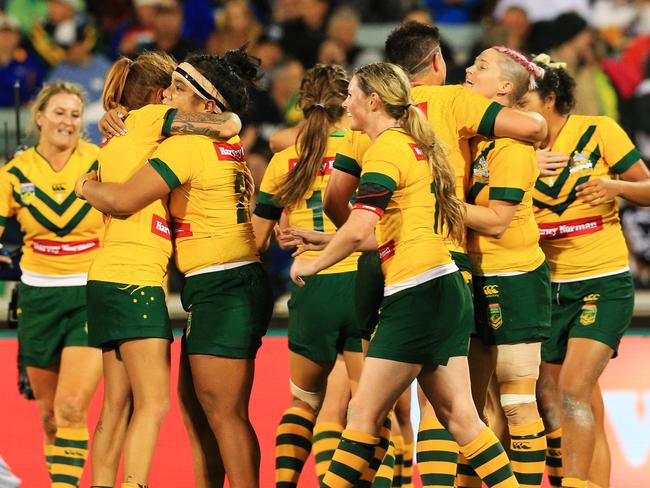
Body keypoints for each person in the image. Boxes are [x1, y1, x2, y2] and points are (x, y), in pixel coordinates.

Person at [321, 21, 547, 488]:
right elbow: (535, 126)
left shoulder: (365, 126)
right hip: (441, 265)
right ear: (437, 62)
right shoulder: (449, 103)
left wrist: (367, 231)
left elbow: (334, 200)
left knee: (379, 405)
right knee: (458, 409)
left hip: (384, 266)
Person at [77, 49, 271, 488]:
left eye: (180, 88)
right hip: (222, 282)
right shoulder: (219, 143)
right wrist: (124, 116)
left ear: (208, 106)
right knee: (201, 410)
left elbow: (125, 199)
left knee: (222, 413)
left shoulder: (189, 145)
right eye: (167, 85)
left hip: (223, 283)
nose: (167, 94)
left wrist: (85, 183)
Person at [518, 55, 650, 488]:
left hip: (601, 282)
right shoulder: (514, 151)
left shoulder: (598, 131)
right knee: (566, 400)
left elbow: (647, 187)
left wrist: (615, 187)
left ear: (551, 98)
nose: (517, 111)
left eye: (525, 100)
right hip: (544, 288)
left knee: (574, 389)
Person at [251, 64, 365, 487]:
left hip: (310, 286)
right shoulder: (368, 147)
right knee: (370, 409)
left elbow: (259, 238)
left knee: (302, 402)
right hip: (362, 281)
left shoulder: (285, 159)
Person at [0, 81, 103, 487]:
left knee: (72, 406)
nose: (68, 121)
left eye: (76, 114)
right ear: (39, 117)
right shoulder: (14, 172)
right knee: (49, 415)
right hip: (37, 297)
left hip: (90, 294)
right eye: (59, 112)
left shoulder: (100, 161)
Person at [462, 45, 551, 488]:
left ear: (504, 87)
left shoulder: (512, 146)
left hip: (514, 278)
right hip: (474, 276)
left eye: (480, 66)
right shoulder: (474, 138)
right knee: (470, 409)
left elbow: (497, 222)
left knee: (516, 404)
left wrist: (438, 203)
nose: (468, 69)